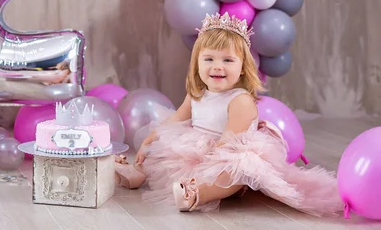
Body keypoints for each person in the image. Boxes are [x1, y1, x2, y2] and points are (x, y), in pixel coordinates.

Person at [113, 12, 343, 217]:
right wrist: (150, 140)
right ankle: (137, 173)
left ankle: (197, 194)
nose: (217, 66)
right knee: (163, 149)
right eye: (209, 59)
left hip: (228, 150)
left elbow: (229, 140)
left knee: (237, 170)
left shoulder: (240, 100)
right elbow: (174, 120)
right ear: (197, 63)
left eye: (227, 60)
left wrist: (206, 164)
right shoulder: (197, 94)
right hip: (198, 146)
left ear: (242, 66)